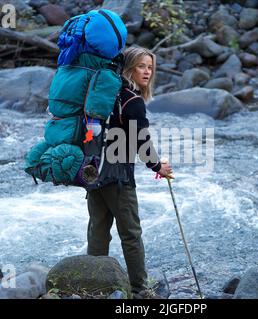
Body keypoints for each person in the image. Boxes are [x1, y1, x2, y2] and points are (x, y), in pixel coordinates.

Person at [86, 46, 173, 298]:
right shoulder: (132, 102)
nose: (147, 72)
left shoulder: (107, 95)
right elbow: (141, 141)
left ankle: (94, 284)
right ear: (129, 69)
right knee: (131, 234)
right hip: (118, 176)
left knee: (98, 229)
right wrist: (159, 167)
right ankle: (139, 290)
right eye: (141, 66)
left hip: (94, 170)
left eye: (150, 67)